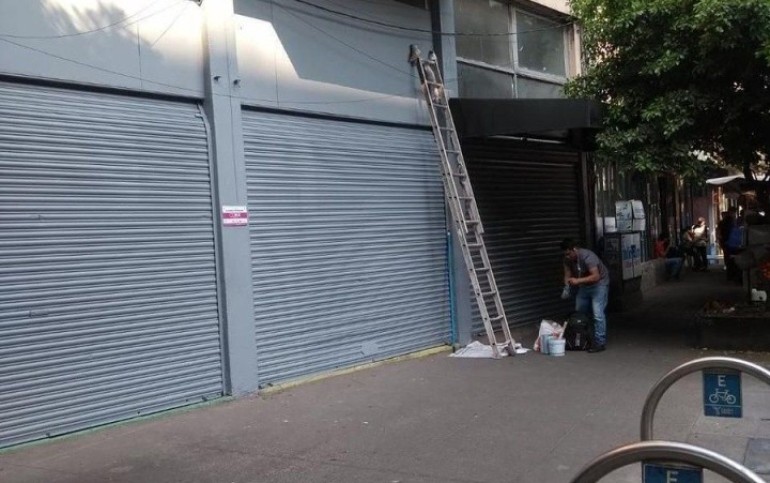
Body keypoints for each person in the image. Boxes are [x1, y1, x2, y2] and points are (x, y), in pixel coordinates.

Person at [561, 238, 610, 353]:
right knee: (579, 312)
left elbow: (596, 276)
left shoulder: (588, 257)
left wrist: (577, 281)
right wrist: (567, 286)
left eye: (568, 254)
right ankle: (583, 337)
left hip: (599, 284)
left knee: (597, 313)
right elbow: (567, 274)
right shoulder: (567, 259)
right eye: (565, 255)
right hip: (584, 285)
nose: (567, 257)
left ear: (574, 249)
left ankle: (600, 343)